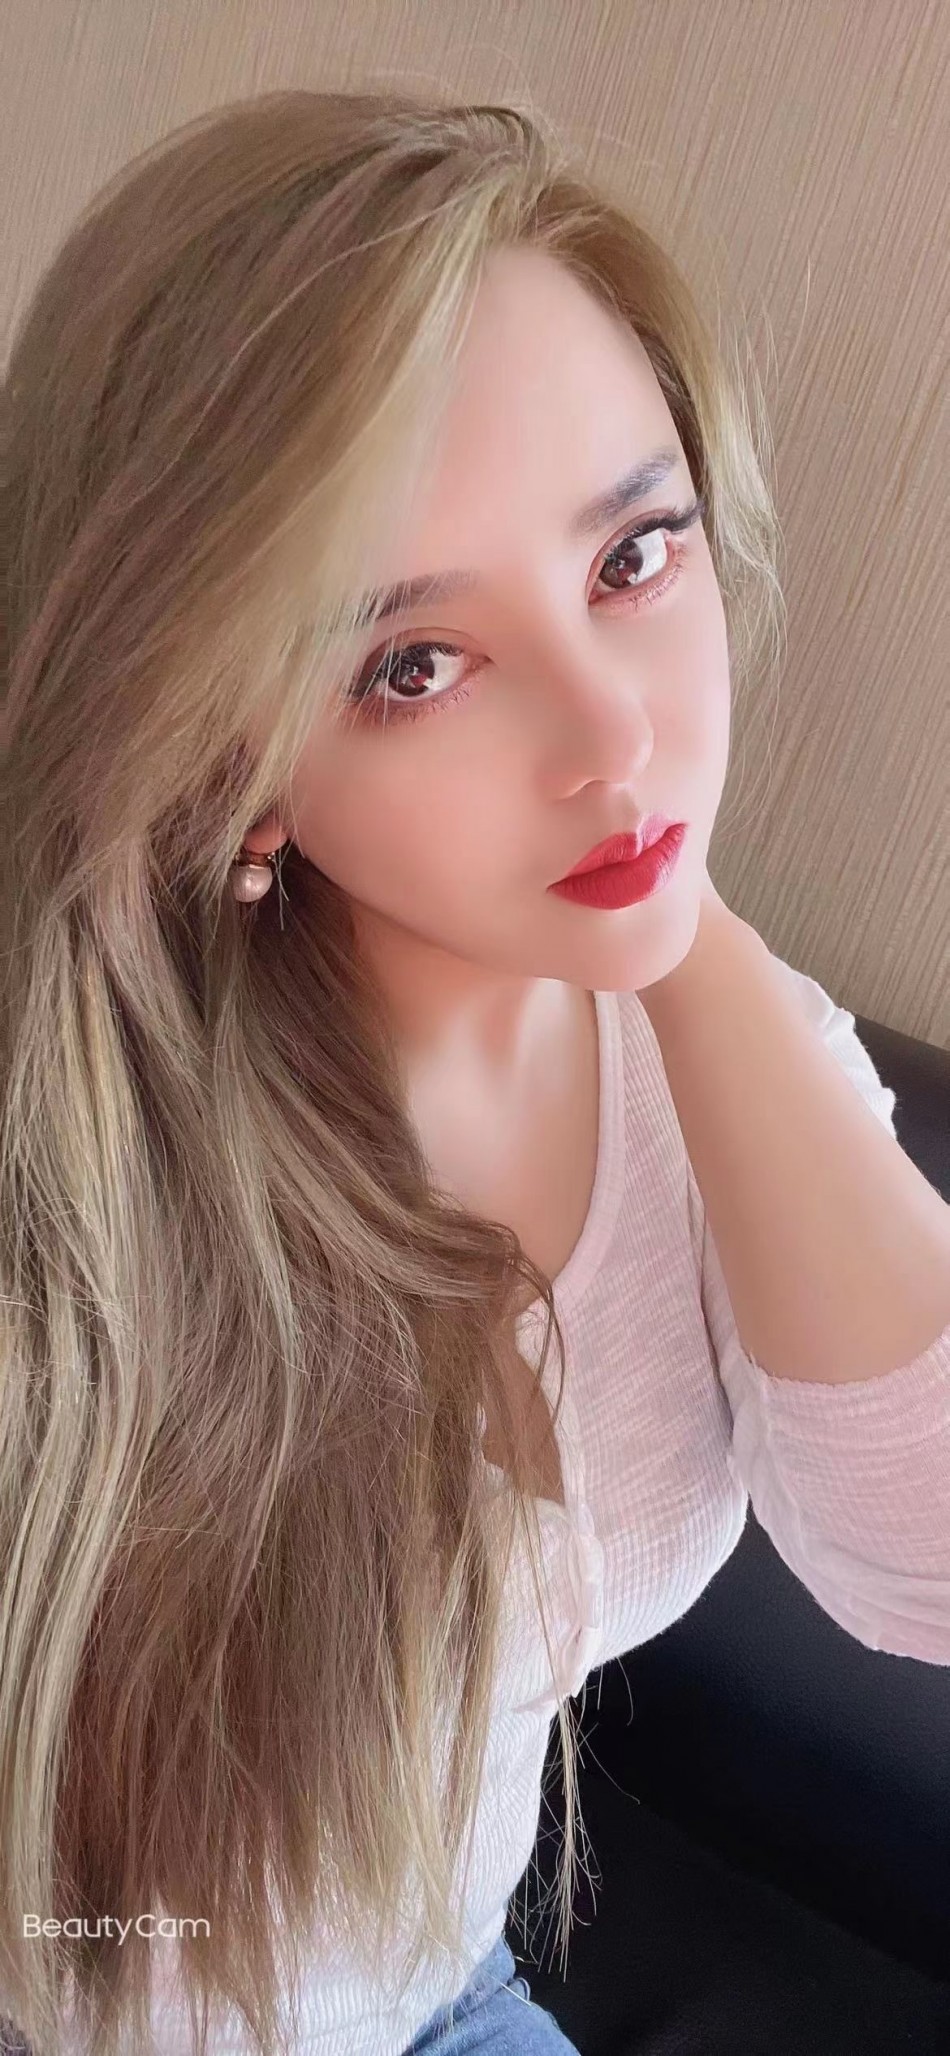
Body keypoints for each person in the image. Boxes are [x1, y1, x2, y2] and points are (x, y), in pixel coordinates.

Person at [2, 86, 948, 2056]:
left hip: (444, 1991)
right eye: (411, 664)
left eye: (634, 555)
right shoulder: (68, 1168)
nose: (612, 737)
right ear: (219, 739)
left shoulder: (703, 1049)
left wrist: (690, 940)